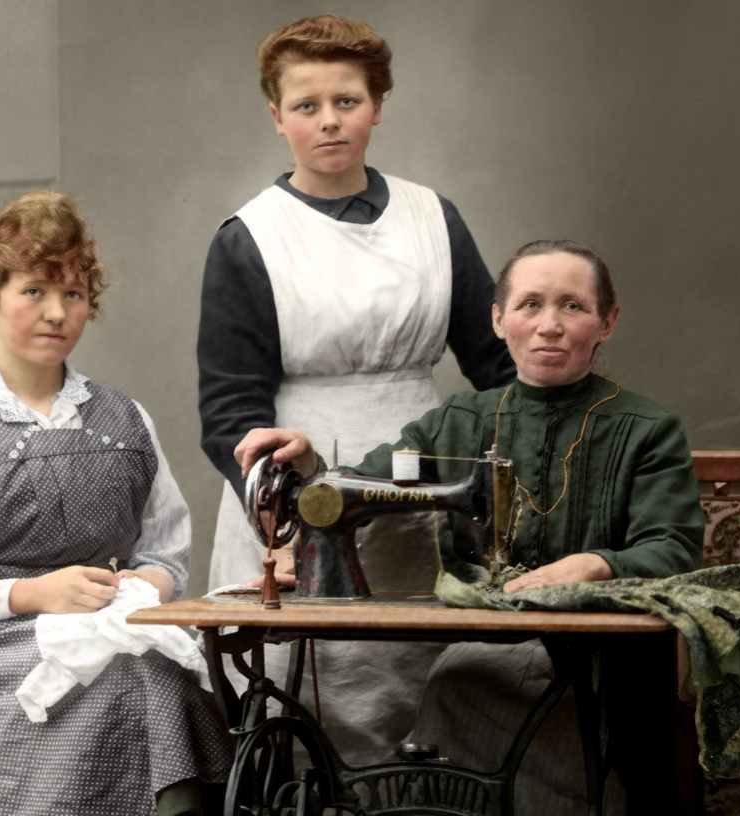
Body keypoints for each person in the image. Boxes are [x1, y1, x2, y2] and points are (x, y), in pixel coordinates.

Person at [237, 239, 705, 813]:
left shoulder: (648, 429)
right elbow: (362, 482)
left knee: (461, 681)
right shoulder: (457, 421)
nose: (550, 325)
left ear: (607, 323)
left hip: (604, 654)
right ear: (499, 320)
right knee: (461, 676)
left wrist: (596, 564)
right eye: (530, 304)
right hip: (495, 637)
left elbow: (674, 548)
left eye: (573, 306)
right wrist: (311, 468)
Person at [196, 13, 514, 764]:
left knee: (430, 686)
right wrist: (275, 521)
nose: (329, 121)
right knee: (313, 700)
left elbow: (497, 367)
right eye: (306, 106)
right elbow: (230, 410)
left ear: (378, 105)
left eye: (347, 101)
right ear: (277, 117)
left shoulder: (434, 218)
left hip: (421, 474)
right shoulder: (250, 238)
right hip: (300, 485)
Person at [0, 192, 232, 816]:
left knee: (167, 671)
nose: (56, 313)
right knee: (132, 678)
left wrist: (143, 586)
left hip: (116, 634)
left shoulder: (125, 420)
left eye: (73, 293)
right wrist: (32, 594)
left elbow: (166, 552)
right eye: (34, 291)